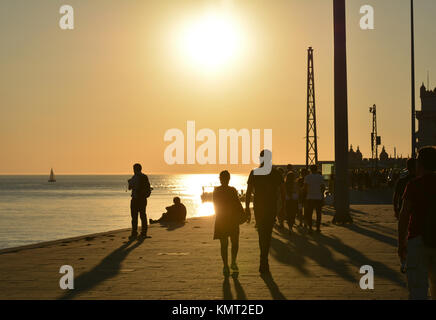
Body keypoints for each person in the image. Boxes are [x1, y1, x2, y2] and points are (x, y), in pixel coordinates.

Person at [398, 147, 436, 300]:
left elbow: (404, 215)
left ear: (419, 164)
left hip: (417, 240)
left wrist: (401, 243)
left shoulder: (414, 185)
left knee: (418, 289)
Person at [245, 150, 285, 274]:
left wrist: (247, 208)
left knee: (262, 233)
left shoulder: (254, 173)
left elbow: (248, 191)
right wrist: (282, 208)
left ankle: (263, 259)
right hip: (271, 207)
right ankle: (264, 259)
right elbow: (283, 191)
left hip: (259, 207)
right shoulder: (276, 173)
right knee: (266, 233)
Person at [213, 171, 243, 276]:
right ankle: (231, 263)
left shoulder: (219, 190)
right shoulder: (229, 190)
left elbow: (216, 206)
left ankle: (227, 265)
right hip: (230, 219)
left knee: (225, 244)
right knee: (233, 243)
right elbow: (237, 203)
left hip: (223, 219)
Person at [128, 163, 151, 240]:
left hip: (135, 199)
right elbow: (148, 186)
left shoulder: (134, 177)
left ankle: (134, 233)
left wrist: (129, 182)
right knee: (143, 216)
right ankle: (143, 233)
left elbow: (130, 187)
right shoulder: (144, 177)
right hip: (143, 199)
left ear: (134, 169)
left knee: (134, 217)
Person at [303, 164, 325, 234]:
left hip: (310, 197)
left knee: (309, 213)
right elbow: (322, 187)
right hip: (318, 197)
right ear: (317, 169)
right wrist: (322, 196)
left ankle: (310, 228)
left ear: (310, 169)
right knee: (318, 213)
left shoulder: (307, 177)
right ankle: (318, 228)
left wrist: (305, 195)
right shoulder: (320, 177)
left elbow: (305, 187)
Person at [285, 170, 299, 236]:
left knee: (288, 214)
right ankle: (291, 226)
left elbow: (284, 191)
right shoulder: (296, 183)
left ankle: (290, 227)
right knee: (293, 214)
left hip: (287, 200)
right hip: (294, 200)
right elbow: (298, 191)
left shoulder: (285, 183)